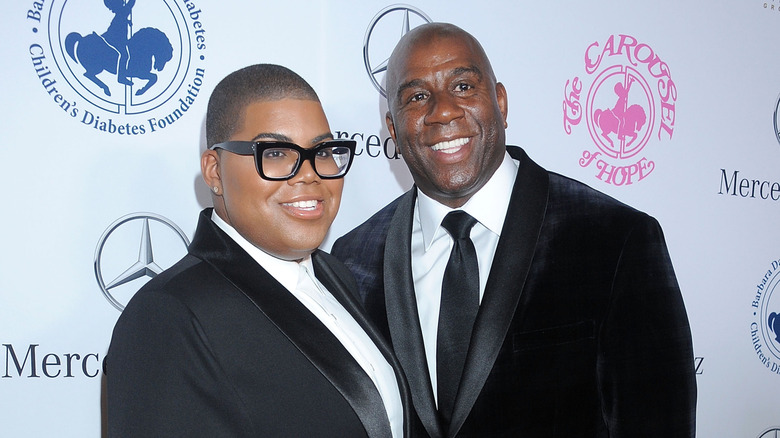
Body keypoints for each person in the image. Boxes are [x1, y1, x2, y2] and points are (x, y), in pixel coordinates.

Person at [332, 23, 696, 437]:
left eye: (463, 87)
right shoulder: (353, 260)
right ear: (393, 130)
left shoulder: (615, 240)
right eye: (417, 97)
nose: (444, 111)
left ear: (500, 103)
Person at [106, 64, 419, 437]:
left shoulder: (336, 273)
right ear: (215, 171)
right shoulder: (168, 316)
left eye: (322, 151)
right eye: (275, 153)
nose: (309, 174)